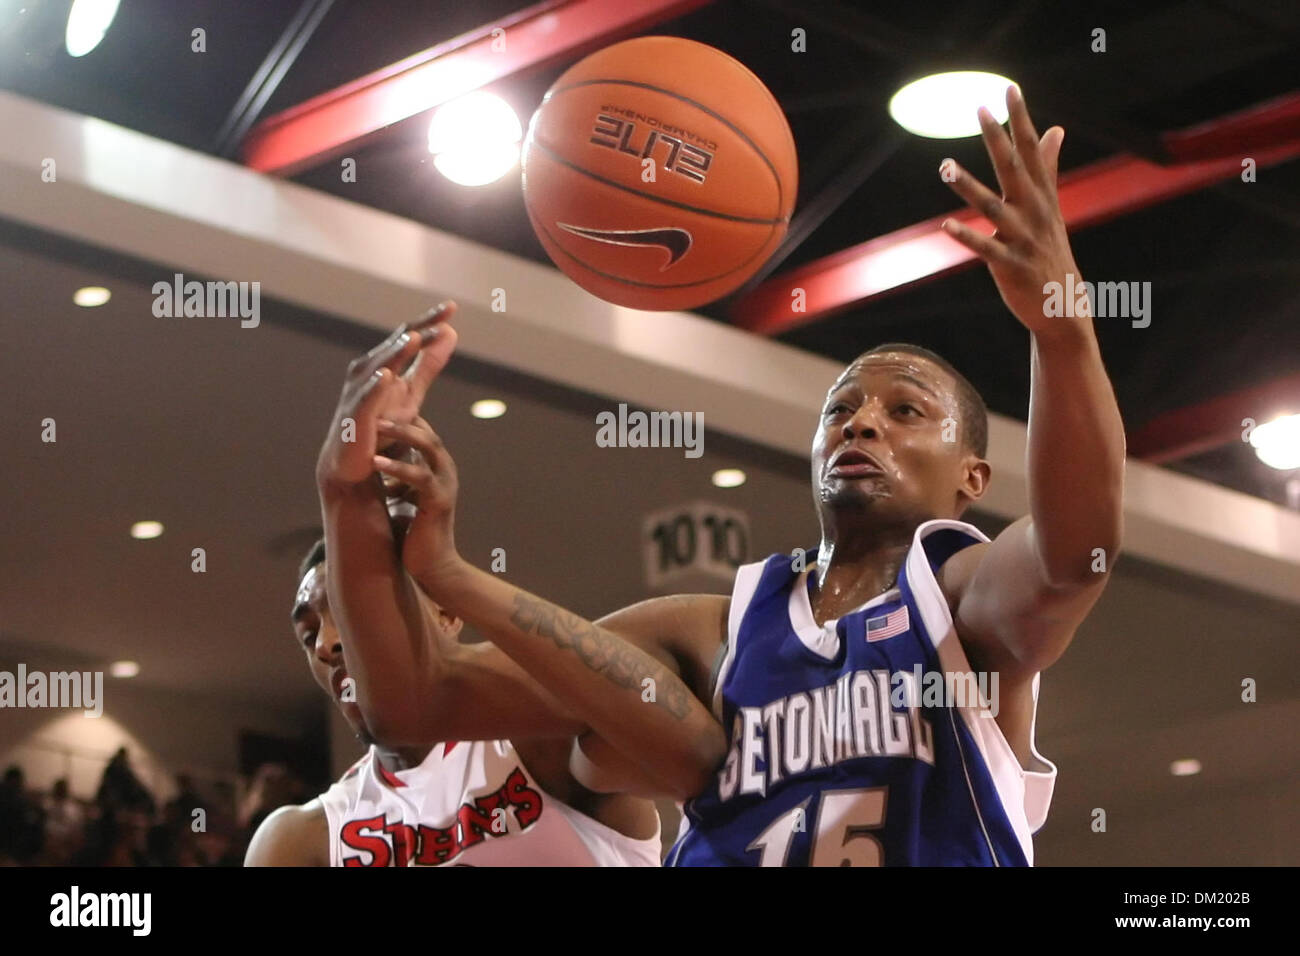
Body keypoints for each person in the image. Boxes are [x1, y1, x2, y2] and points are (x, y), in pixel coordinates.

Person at [332, 86, 1125, 866]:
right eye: (840, 408)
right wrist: (352, 499)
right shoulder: (712, 630)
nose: (862, 421)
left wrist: (1062, 332)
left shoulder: (960, 604)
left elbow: (1074, 554)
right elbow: (413, 704)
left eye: (907, 411)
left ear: (972, 478)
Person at [244, 538, 662, 866]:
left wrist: (456, 578)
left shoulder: (545, 743)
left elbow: (641, 690)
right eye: (309, 634)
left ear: (446, 615)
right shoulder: (302, 839)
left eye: (355, 611)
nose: (326, 643)